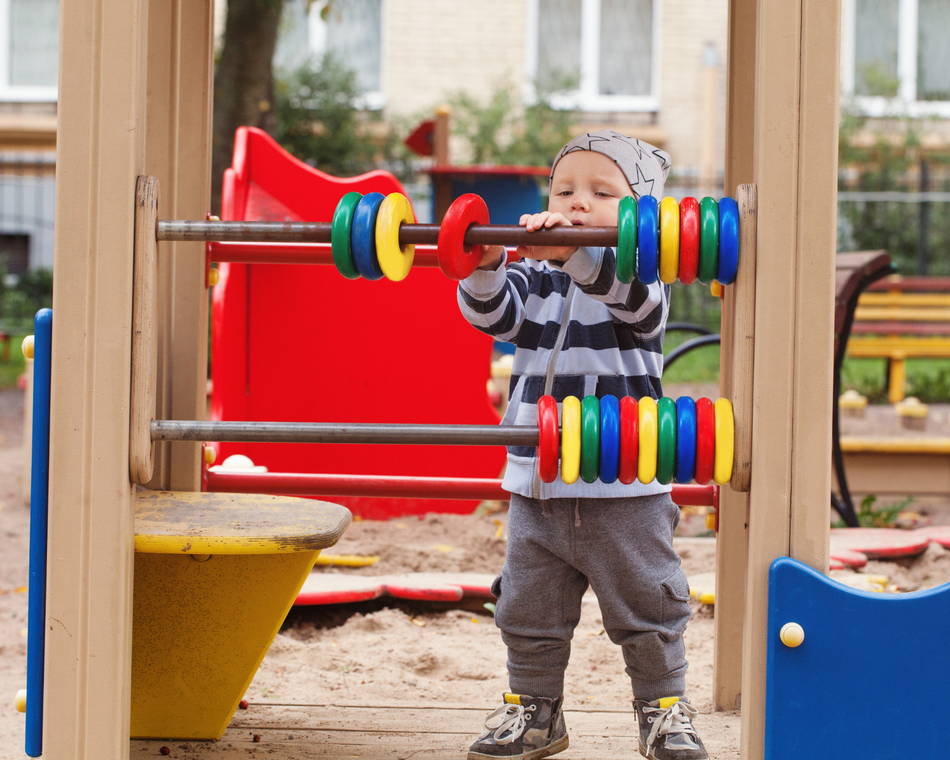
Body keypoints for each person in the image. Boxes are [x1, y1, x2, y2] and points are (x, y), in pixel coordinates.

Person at [457, 130, 707, 760]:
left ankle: (663, 708)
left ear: (640, 212)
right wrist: (488, 266)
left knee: (647, 601)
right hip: (536, 479)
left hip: (623, 483)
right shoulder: (537, 270)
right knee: (526, 606)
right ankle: (534, 710)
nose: (576, 202)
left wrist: (577, 255)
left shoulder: (644, 267)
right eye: (563, 189)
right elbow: (497, 319)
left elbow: (638, 309)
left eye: (601, 192)